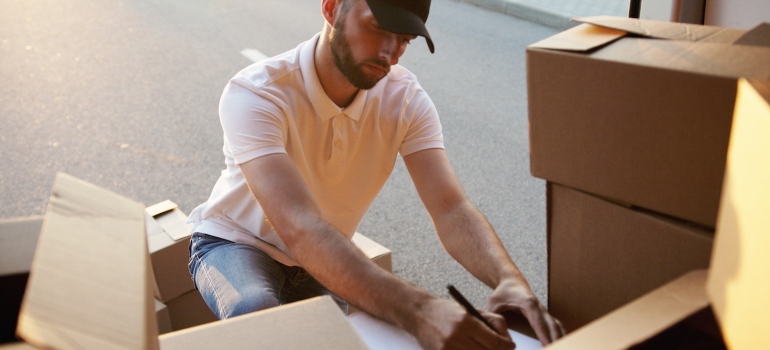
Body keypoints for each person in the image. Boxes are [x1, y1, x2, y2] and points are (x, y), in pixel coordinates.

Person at [187, 0, 565, 348]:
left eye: (404, 39)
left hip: (323, 257)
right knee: (263, 319)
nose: (390, 51)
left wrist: (509, 279)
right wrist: (421, 310)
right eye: (378, 27)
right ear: (332, 8)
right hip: (235, 242)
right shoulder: (257, 92)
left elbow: (450, 207)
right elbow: (299, 226)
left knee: (340, 341)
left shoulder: (405, 98)